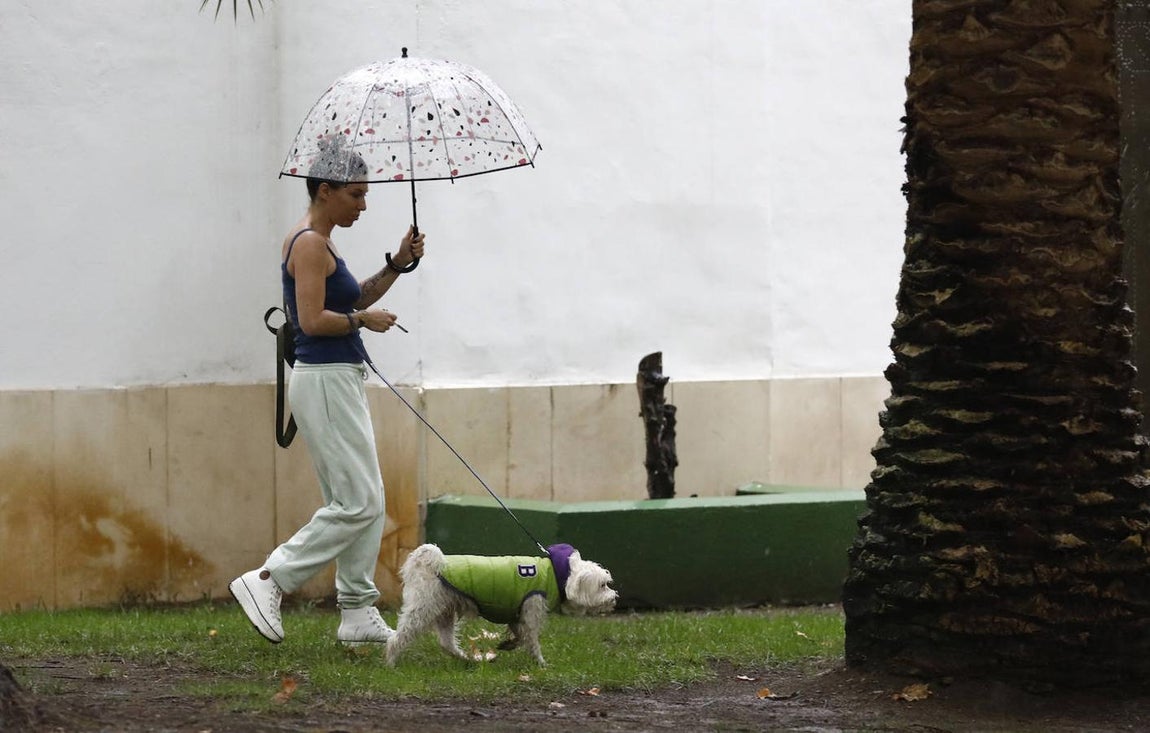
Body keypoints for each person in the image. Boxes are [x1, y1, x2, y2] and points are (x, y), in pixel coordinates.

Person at [230, 143, 426, 646]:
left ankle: (358, 610)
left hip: (337, 376)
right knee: (358, 501)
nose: (363, 205)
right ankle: (269, 580)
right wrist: (363, 322)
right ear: (325, 190)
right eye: (357, 195)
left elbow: (353, 298)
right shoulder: (309, 244)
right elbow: (314, 321)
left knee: (365, 498)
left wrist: (399, 264)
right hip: (323, 378)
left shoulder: (323, 242)